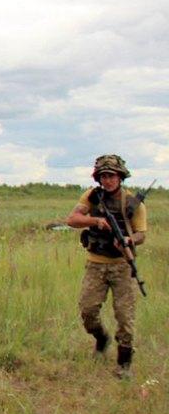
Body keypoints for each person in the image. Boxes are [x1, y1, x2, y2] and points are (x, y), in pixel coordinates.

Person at [64, 154, 147, 378]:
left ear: (120, 177)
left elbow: (141, 234)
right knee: (88, 311)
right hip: (96, 264)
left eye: (111, 176)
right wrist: (96, 221)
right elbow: (72, 219)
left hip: (122, 265)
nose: (107, 180)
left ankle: (124, 364)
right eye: (103, 176)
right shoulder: (92, 196)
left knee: (124, 317)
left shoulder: (133, 203)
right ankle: (101, 338)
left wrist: (128, 241)